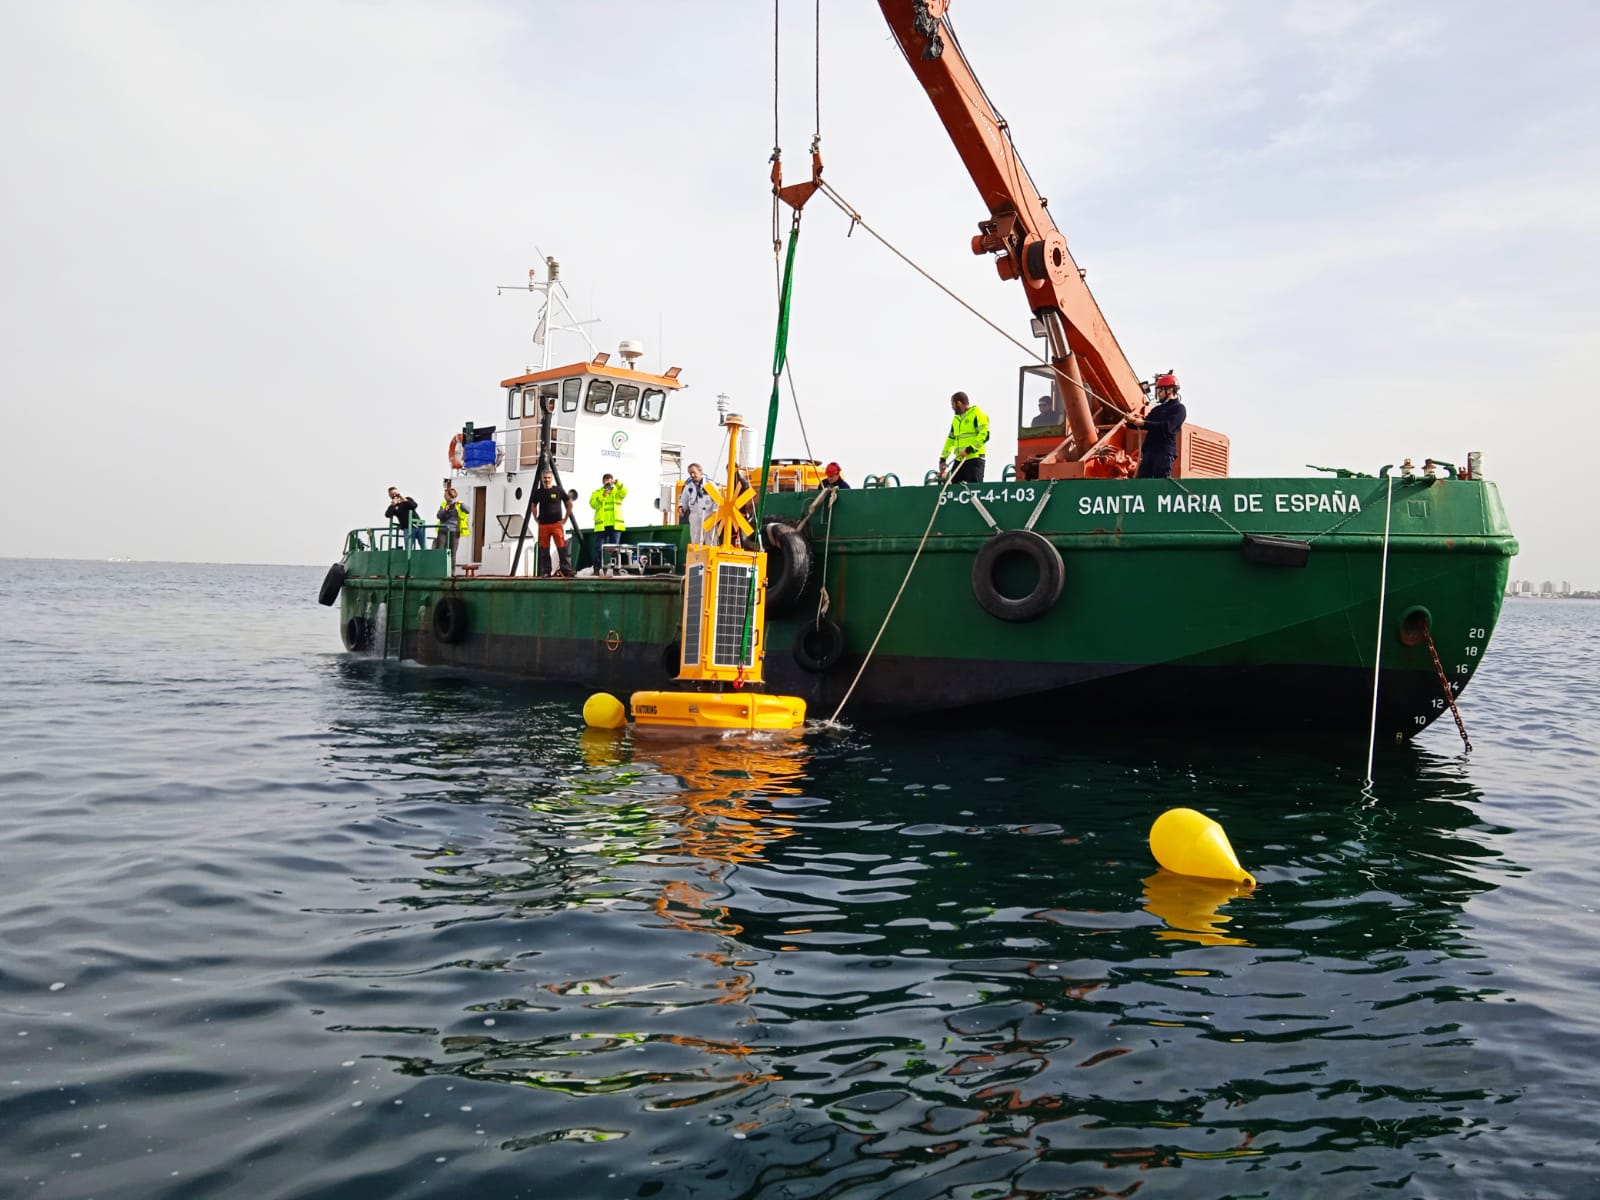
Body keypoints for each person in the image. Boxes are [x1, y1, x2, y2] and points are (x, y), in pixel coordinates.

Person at [1125, 372, 1187, 479]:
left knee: (1161, 483)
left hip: (1164, 452)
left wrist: (1143, 423)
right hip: (1150, 451)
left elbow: (1167, 427)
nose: (1158, 394)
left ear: (1170, 390)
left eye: (1160, 390)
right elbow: (1144, 424)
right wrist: (1130, 421)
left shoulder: (1179, 409)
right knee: (1142, 482)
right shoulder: (1157, 410)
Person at [938, 391, 989, 484]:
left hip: (974, 459)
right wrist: (943, 459)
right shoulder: (956, 419)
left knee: (974, 489)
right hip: (959, 460)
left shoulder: (977, 414)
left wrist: (970, 449)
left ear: (959, 403)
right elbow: (950, 440)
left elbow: (985, 434)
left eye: (953, 404)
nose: (952, 407)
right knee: (953, 488)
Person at [533, 469, 575, 576]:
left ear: (552, 478)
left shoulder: (558, 490)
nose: (547, 480)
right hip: (543, 525)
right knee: (544, 550)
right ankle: (546, 571)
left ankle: (566, 570)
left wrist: (565, 518)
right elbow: (533, 505)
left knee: (562, 548)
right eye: (545, 478)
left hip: (557, 524)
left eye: (549, 478)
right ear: (542, 479)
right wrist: (535, 518)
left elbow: (569, 503)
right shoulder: (538, 492)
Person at [588, 473, 627, 570]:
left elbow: (624, 492)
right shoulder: (597, 493)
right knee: (598, 549)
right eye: (606, 480)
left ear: (612, 481)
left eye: (610, 481)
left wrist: (617, 483)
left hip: (615, 525)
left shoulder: (617, 492)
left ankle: (614, 569)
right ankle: (597, 568)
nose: (608, 483)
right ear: (603, 482)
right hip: (602, 525)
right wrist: (603, 496)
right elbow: (593, 505)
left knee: (615, 549)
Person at [436, 486, 467, 559]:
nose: (444, 496)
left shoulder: (458, 504)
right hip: (443, 530)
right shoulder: (443, 504)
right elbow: (438, 515)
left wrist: (461, 504)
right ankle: (440, 569)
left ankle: (451, 570)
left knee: (453, 552)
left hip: (454, 531)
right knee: (439, 551)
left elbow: (468, 510)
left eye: (445, 494)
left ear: (450, 495)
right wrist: (444, 510)